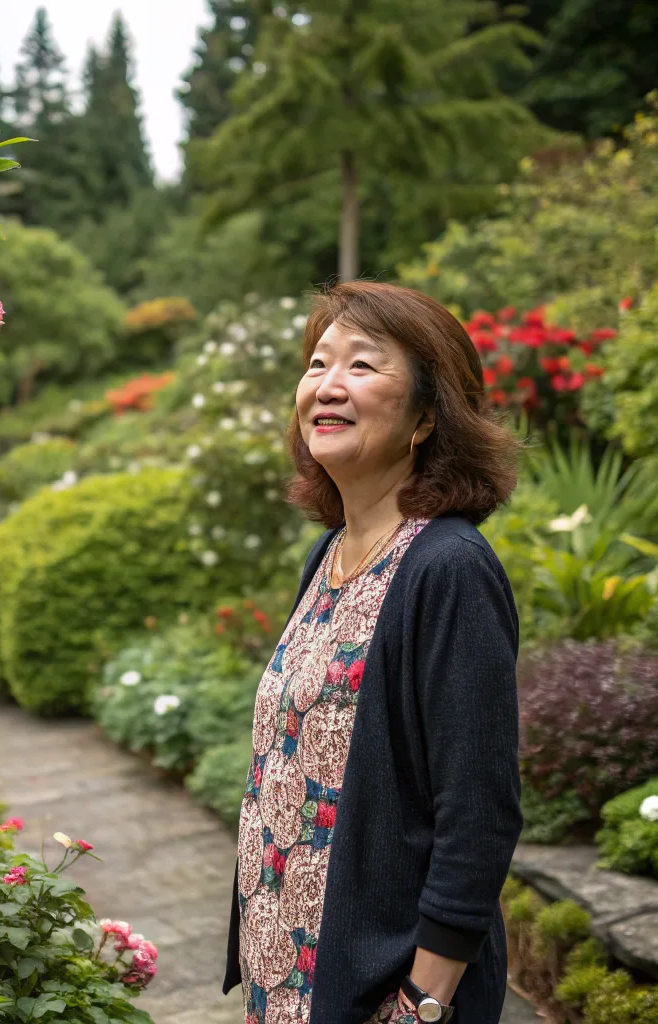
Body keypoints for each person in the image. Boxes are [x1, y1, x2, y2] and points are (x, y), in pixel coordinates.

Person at [224, 281, 523, 1024]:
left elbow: (479, 812)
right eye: (319, 363)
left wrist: (424, 1000)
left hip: (384, 996)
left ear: (427, 416)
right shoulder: (329, 554)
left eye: (362, 366)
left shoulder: (447, 567)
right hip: (290, 980)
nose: (327, 385)